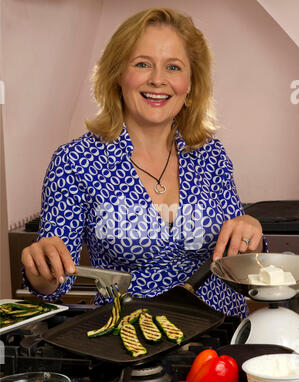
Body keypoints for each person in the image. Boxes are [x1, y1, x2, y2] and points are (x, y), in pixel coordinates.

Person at [21, 8, 265, 317]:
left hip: (218, 339)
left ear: (190, 84)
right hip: (128, 344)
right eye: (142, 64)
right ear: (118, 75)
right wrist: (40, 270)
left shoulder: (210, 155)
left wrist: (251, 231)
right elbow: (53, 282)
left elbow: (240, 262)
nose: (158, 80)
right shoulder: (74, 162)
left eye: (173, 67)